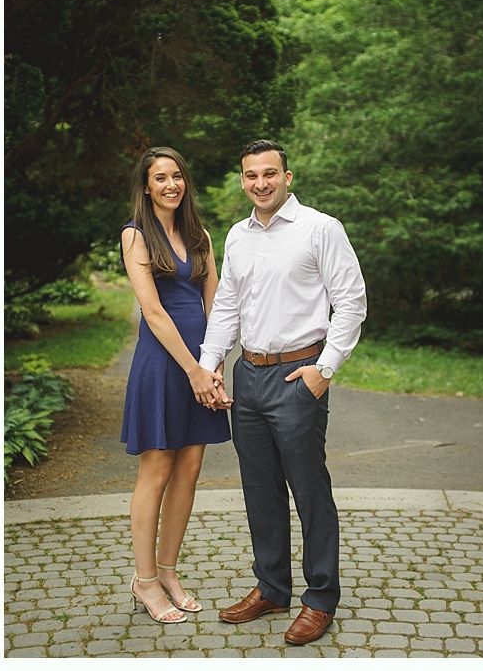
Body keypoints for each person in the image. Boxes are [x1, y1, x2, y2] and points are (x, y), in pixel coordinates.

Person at [198, 139, 367, 646]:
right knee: (260, 491)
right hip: (248, 377)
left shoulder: (321, 228)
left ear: (287, 178)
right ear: (243, 180)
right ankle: (272, 588)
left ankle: (320, 599)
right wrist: (210, 366)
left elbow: (352, 303)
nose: (261, 183)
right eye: (251, 176)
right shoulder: (237, 236)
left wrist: (324, 370)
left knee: (309, 490)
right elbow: (227, 306)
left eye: (270, 174)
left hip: (299, 375)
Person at [121, 146, 233, 624]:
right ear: (146, 186)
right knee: (158, 471)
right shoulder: (135, 236)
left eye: (177, 176)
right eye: (160, 177)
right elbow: (153, 311)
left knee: (189, 471)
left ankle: (168, 571)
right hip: (164, 365)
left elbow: (219, 307)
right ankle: (143, 580)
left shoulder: (201, 236)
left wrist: (216, 365)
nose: (171, 184)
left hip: (202, 365)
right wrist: (194, 370)